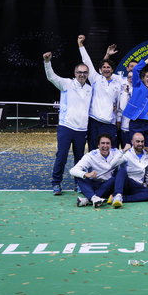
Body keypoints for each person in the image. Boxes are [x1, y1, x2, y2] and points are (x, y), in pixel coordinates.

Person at [43, 51, 92, 195]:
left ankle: (79, 184)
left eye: (85, 72)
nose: (82, 75)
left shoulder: (90, 89)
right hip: (66, 127)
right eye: (79, 72)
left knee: (80, 159)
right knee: (62, 156)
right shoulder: (66, 84)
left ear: (88, 74)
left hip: (82, 130)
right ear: (75, 73)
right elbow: (51, 77)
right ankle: (56, 183)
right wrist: (47, 62)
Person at [78, 35, 122, 150]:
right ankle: (93, 168)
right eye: (104, 67)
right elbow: (86, 60)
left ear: (112, 70)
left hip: (109, 123)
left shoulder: (118, 85)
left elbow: (119, 106)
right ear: (100, 70)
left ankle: (110, 169)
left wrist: (118, 120)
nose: (106, 69)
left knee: (111, 150)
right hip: (94, 121)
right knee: (93, 149)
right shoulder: (95, 79)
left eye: (108, 67)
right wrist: (81, 45)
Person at [69, 133, 122, 208]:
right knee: (79, 176)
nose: (105, 146)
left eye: (108, 143)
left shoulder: (116, 153)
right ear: (98, 145)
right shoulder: (91, 155)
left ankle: (89, 199)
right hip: (94, 185)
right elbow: (72, 170)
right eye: (102, 143)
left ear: (111, 145)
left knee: (114, 179)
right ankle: (94, 198)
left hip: (108, 186)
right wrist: (86, 174)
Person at [122, 56, 148, 152]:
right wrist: (146, 61)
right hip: (137, 122)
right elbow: (135, 69)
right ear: (142, 78)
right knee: (136, 149)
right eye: (147, 77)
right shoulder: (138, 85)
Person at [110, 133, 148, 208]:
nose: (140, 144)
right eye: (137, 141)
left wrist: (146, 183)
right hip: (127, 183)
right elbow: (112, 164)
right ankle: (118, 195)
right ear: (132, 142)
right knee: (121, 171)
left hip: (138, 185)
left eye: (142, 141)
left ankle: (123, 199)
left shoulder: (147, 155)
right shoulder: (127, 154)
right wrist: (123, 150)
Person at [118, 71, 133, 148]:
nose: (131, 79)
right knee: (126, 149)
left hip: (137, 126)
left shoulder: (141, 89)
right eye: (129, 77)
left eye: (133, 77)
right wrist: (125, 93)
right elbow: (122, 107)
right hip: (126, 126)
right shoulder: (124, 90)